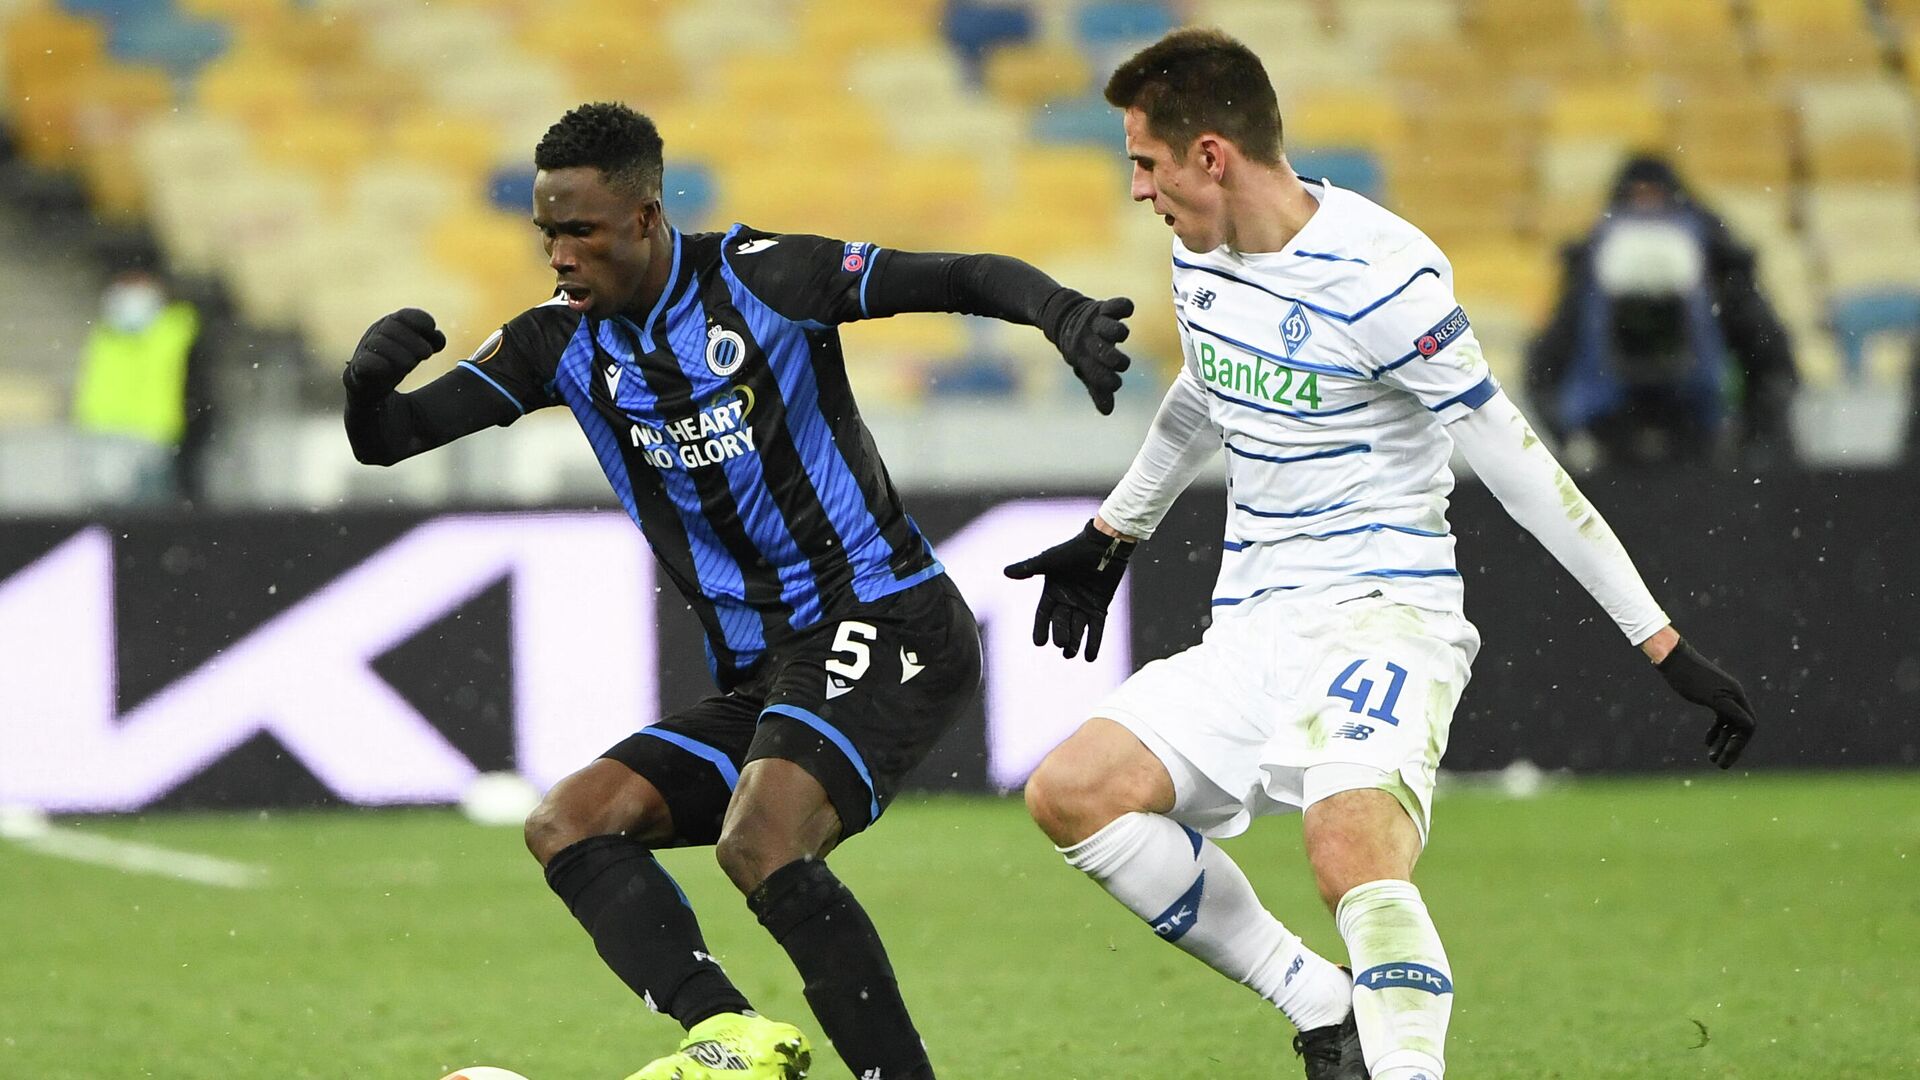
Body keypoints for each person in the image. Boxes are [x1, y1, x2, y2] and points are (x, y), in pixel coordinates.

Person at [1006, 30, 1759, 1080]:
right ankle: (1328, 1010)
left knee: (1347, 849)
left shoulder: (1386, 275)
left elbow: (1517, 461)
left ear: (1212, 155)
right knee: (1073, 791)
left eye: (1146, 162)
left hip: (1383, 612)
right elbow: (1201, 393)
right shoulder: (1200, 251)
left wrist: (1659, 639)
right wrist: (1114, 531)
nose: (1138, 189)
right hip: (1254, 625)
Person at [341, 102, 1133, 1080]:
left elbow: (957, 275)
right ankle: (733, 1034)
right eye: (546, 232)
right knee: (568, 822)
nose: (558, 254)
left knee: (762, 836)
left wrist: (1059, 312)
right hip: (765, 676)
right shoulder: (557, 345)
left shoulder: (768, 278)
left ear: (643, 217)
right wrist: (366, 393)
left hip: (888, 619)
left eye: (579, 230)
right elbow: (392, 441)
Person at [1527, 155, 1798, 469]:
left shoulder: (1720, 270)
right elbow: (1544, 370)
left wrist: (1747, 439)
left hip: (1703, 439)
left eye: (1655, 199)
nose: (1646, 214)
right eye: (1636, 200)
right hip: (1610, 440)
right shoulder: (1588, 272)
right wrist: (1573, 438)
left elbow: (1771, 363)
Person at [71, 266, 212, 503]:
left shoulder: (174, 330)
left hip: (152, 440)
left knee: (148, 517)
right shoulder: (105, 334)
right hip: (103, 438)